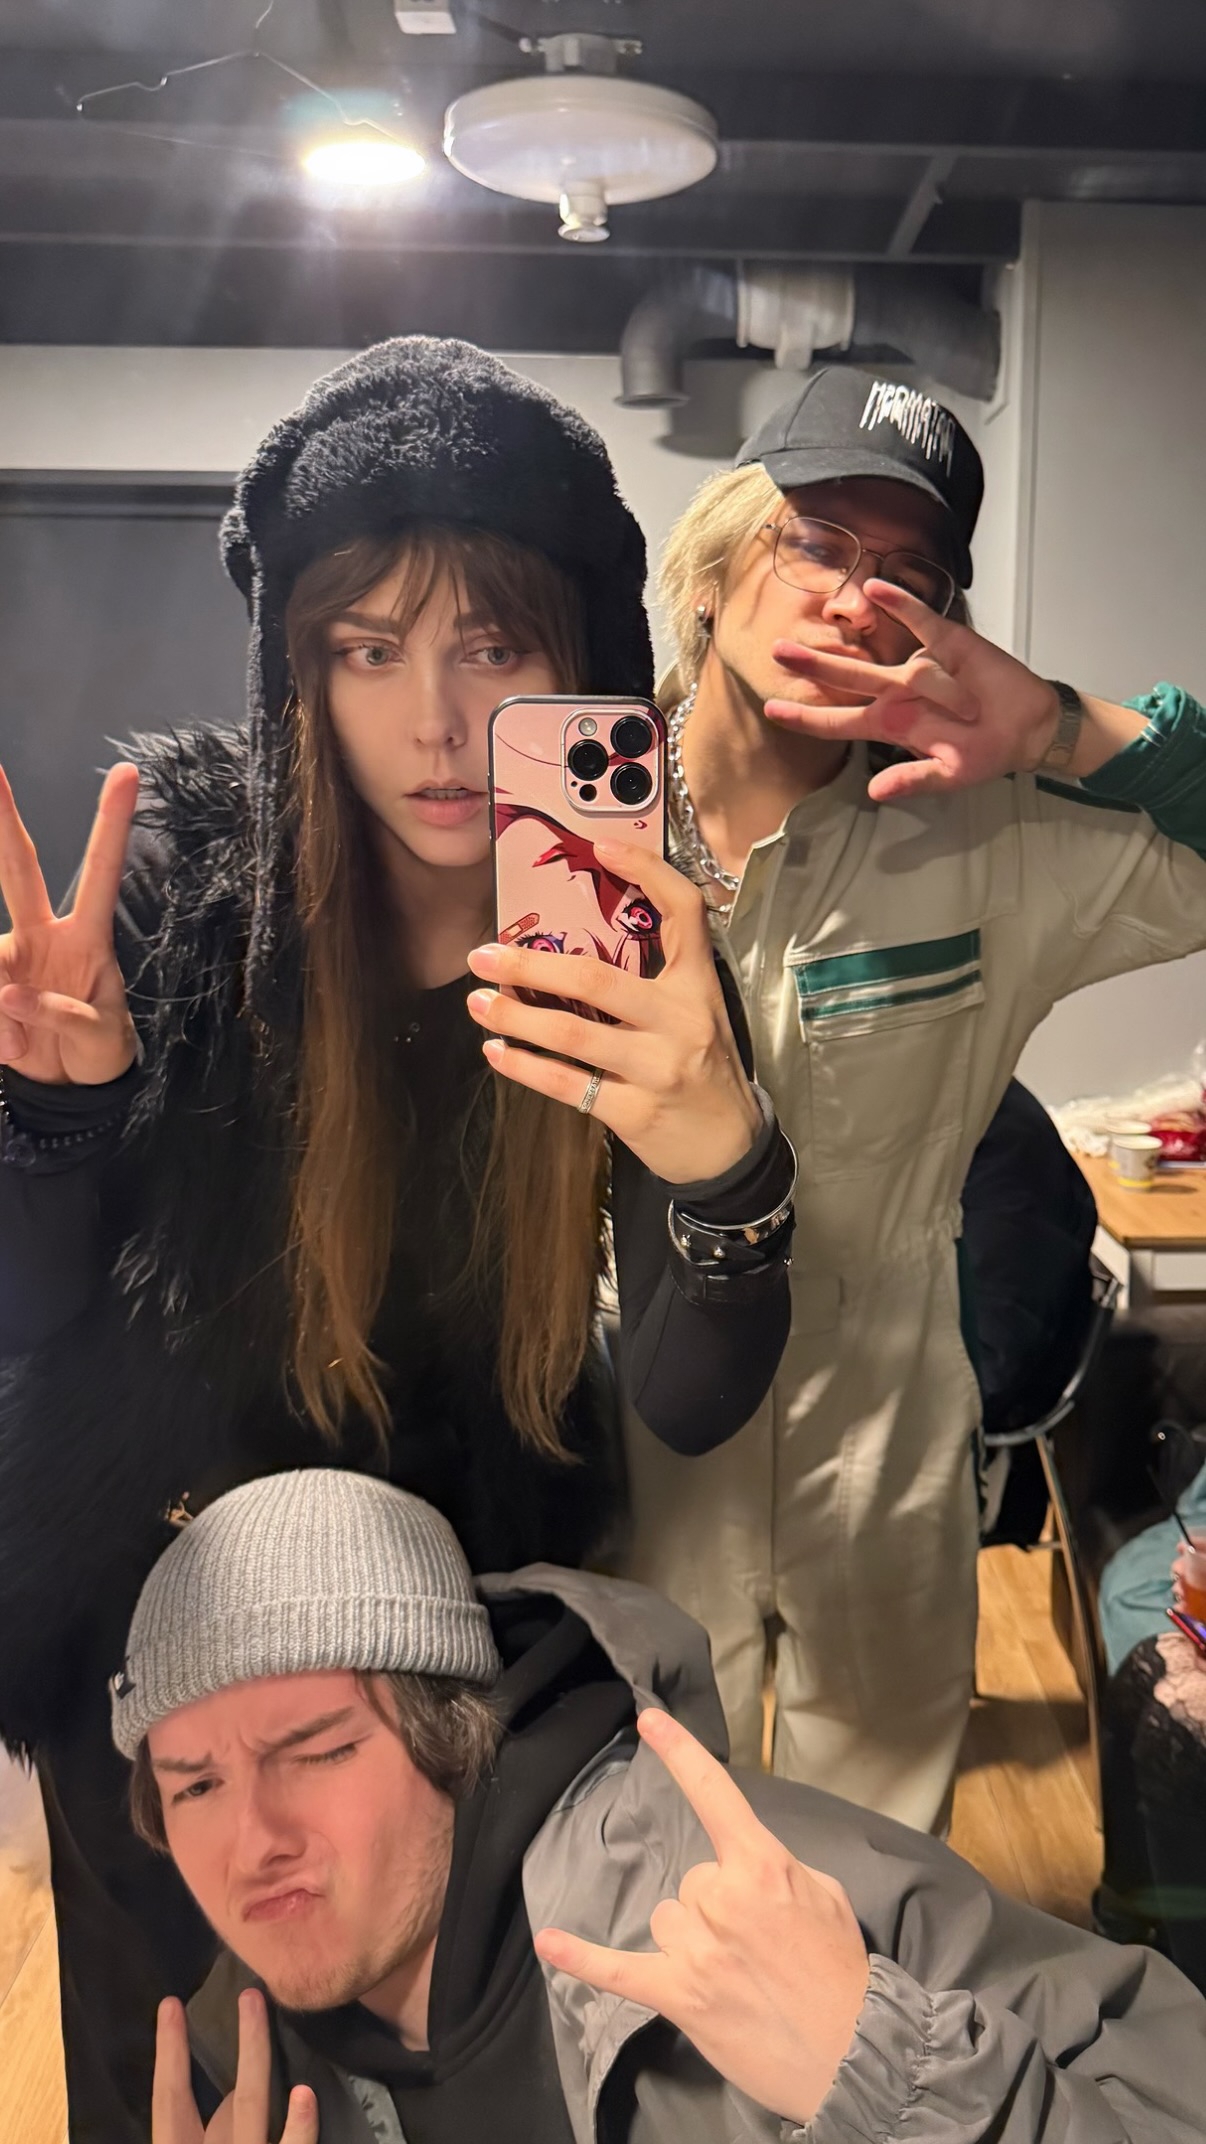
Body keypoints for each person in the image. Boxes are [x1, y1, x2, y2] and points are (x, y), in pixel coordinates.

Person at [0, 337, 796, 2139]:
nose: (433, 725)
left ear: (577, 667)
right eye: (368, 650)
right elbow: (36, 1313)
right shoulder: (187, 900)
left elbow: (688, 1398)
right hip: (163, 1633)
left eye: (490, 648)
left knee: (463, 2083)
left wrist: (718, 1161)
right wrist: (54, 1117)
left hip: (446, 1662)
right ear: (301, 670)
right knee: (180, 2083)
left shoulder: (629, 945)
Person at [618, 364, 1206, 1831]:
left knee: (871, 1875)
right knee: (629, 1845)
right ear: (716, 566)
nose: (852, 598)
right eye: (815, 542)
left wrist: (1061, 724)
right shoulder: (570, 823)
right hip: (630, 1407)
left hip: (883, 1427)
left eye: (908, 577)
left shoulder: (986, 842)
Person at [118, 1466, 1206, 2144]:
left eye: (316, 1752)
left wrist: (894, 2081)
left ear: (451, 1735)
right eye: (196, 1785)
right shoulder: (238, 2059)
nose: (254, 1841)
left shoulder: (774, 1903)